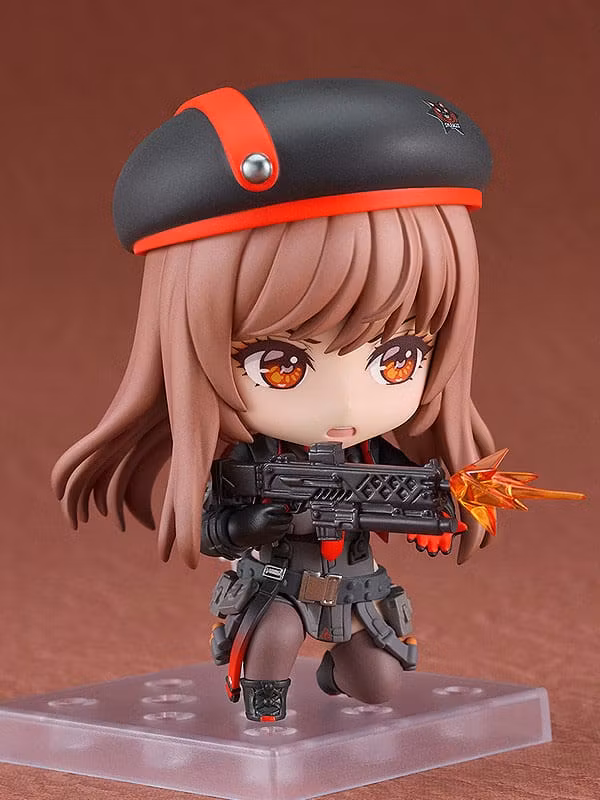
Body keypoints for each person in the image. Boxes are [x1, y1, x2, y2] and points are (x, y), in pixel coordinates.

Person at [52, 79, 495, 722]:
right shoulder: (251, 464)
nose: (347, 402)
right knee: (274, 642)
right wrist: (242, 529)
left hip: (355, 587)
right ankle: (264, 712)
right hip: (277, 580)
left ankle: (335, 677)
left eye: (397, 358)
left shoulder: (371, 456)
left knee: (378, 686)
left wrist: (444, 508)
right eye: (282, 365)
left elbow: (412, 493)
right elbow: (213, 521)